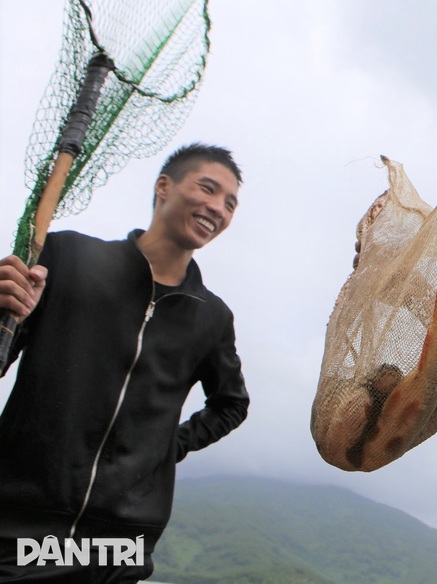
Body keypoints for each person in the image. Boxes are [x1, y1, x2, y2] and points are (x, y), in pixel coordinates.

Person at [0, 143, 250, 582]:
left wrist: (165, 448)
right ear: (163, 186)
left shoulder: (210, 316)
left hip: (120, 540)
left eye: (229, 203)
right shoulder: (68, 258)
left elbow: (231, 404)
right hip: (21, 519)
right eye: (208, 189)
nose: (218, 208)